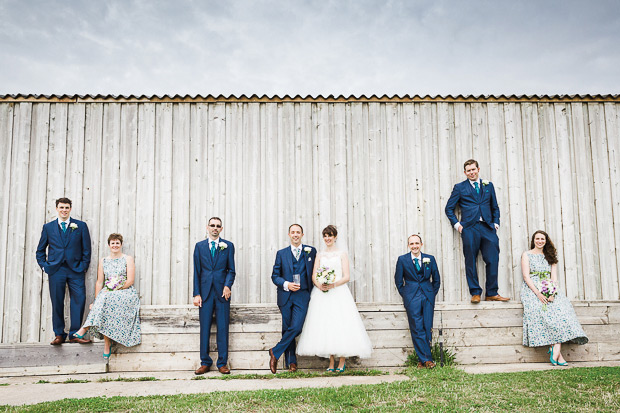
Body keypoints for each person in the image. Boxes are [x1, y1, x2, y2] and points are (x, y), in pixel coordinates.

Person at [297, 225, 372, 371]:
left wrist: (333, 284)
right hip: (322, 293)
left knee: (340, 324)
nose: (327, 238)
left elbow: (347, 276)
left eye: (330, 235)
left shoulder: (342, 254)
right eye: (325, 236)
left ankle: (342, 361)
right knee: (326, 325)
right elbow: (314, 275)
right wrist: (320, 284)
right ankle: (331, 362)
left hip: (338, 292)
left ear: (335, 237)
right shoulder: (320, 254)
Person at [445, 159, 509, 303]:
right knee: (470, 260)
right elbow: (449, 209)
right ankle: (475, 292)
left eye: (473, 169)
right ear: (465, 172)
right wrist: (458, 226)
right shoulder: (459, 187)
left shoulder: (488, 185)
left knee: (493, 259)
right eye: (468, 170)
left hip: (487, 227)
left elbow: (495, 207)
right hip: (469, 228)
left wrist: (496, 223)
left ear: (478, 169)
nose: (471, 172)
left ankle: (492, 292)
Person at [521, 230, 588, 366]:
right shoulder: (526, 255)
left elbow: (554, 277)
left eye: (542, 239)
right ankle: (558, 352)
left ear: (546, 241)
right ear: (533, 240)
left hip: (548, 287)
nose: (540, 241)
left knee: (562, 312)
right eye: (537, 239)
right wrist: (538, 294)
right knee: (541, 311)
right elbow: (526, 276)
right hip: (532, 289)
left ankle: (555, 348)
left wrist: (551, 293)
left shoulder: (550, 255)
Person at [74, 233, 141, 360]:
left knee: (106, 299)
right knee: (104, 300)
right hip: (108, 293)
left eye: (117, 243)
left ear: (121, 245)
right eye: (113, 243)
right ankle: (106, 343)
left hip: (125, 291)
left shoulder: (128, 259)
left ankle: (85, 328)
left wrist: (115, 288)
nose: (115, 245)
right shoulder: (103, 261)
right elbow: (100, 282)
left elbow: (130, 280)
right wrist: (95, 301)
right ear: (109, 245)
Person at [36, 197, 92, 345]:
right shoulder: (48, 227)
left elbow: (87, 249)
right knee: (57, 302)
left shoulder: (80, 226)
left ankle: (74, 334)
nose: (64, 210)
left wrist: (83, 266)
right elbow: (40, 251)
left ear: (70, 209)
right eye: (61, 207)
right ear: (57, 209)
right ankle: (59, 334)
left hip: (76, 270)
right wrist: (45, 266)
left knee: (79, 300)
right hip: (56, 270)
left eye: (66, 208)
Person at [268, 224, 317, 373]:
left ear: (302, 234)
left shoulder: (311, 251)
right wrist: (287, 284)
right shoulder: (281, 254)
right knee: (287, 328)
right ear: (289, 234)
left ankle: (275, 351)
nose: (295, 235)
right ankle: (292, 362)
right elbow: (275, 276)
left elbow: (317, 270)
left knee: (296, 327)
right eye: (293, 232)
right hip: (285, 296)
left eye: (298, 232)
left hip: (302, 295)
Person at [193, 217, 236, 375]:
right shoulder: (199, 247)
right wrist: (196, 294)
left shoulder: (228, 246)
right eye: (212, 225)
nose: (215, 228)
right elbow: (197, 272)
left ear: (221, 229)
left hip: (222, 293)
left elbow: (231, 270)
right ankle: (205, 362)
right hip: (204, 294)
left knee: (223, 327)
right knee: (204, 327)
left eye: (218, 226)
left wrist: (227, 285)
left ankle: (222, 363)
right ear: (207, 227)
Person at [394, 234, 441, 369]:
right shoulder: (402, 260)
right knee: (416, 327)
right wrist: (406, 295)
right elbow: (398, 281)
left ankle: (422, 360)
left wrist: (431, 294)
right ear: (408, 246)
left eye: (416, 243)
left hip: (427, 296)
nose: (414, 246)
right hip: (411, 297)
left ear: (421, 244)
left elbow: (436, 279)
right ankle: (427, 360)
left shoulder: (430, 259)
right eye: (411, 244)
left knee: (427, 326)